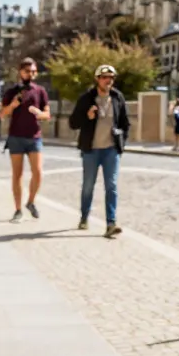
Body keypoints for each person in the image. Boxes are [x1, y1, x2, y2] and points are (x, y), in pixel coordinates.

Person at [68, 64, 130, 238]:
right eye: (104, 77)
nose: (108, 80)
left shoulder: (118, 97)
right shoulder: (86, 98)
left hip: (111, 150)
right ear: (97, 79)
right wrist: (86, 116)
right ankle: (84, 216)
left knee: (112, 186)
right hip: (91, 150)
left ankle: (111, 223)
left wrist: (121, 144)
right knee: (88, 186)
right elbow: (73, 123)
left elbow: (125, 123)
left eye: (111, 77)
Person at [0, 57, 51, 223]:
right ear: (20, 72)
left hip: (34, 136)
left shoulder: (40, 91)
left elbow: (47, 115)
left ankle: (31, 202)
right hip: (16, 136)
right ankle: (18, 209)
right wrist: (12, 105)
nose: (31, 74)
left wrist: (39, 113)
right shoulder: (11, 91)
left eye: (34, 71)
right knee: (17, 175)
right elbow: (2, 114)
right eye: (28, 71)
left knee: (38, 172)